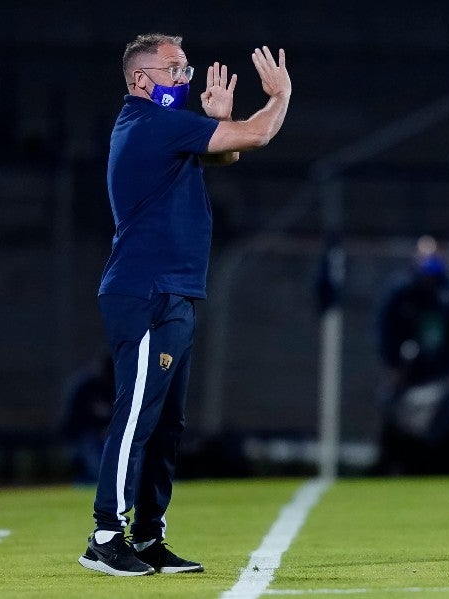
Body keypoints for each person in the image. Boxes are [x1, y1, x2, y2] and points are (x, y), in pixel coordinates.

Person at [77, 33, 291, 577]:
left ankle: (148, 535)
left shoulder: (157, 128)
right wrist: (279, 98)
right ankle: (105, 535)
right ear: (139, 80)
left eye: (185, 68)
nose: (184, 78)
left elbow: (227, 153)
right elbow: (258, 134)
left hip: (168, 289)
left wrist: (220, 124)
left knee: (167, 423)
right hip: (148, 289)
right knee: (136, 417)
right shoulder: (151, 122)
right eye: (174, 69)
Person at [373, 236, 449, 473]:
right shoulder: (401, 294)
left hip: (442, 376)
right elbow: (386, 331)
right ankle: (393, 464)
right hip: (406, 374)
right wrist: (395, 365)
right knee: (393, 414)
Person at [60, 352, 115, 484]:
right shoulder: (87, 387)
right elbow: (77, 420)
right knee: (94, 468)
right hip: (81, 436)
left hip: (103, 435)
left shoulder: (114, 385)